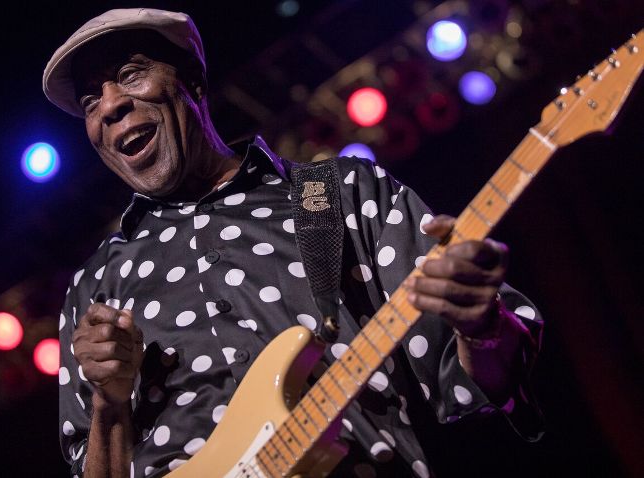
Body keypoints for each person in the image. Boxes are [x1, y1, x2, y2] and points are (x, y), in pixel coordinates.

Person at [44, 8, 543, 478]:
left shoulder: (338, 194)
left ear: (192, 80)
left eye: (130, 75)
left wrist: (481, 326)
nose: (109, 105)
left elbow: (475, 381)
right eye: (90, 102)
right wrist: (109, 404)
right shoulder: (96, 285)